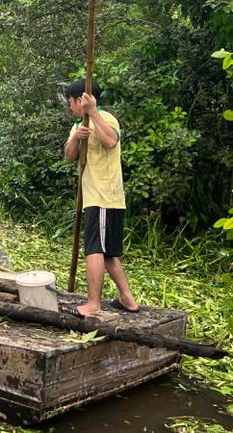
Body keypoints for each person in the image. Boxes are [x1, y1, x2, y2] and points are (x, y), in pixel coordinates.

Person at [63, 78, 139, 316]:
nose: (70, 107)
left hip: (104, 196)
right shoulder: (78, 125)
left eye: (71, 102)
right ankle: (128, 299)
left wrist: (93, 112)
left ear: (82, 100)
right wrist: (77, 138)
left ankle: (93, 304)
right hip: (96, 197)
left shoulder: (106, 118)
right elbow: (68, 156)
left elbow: (110, 141)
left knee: (94, 249)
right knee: (107, 253)